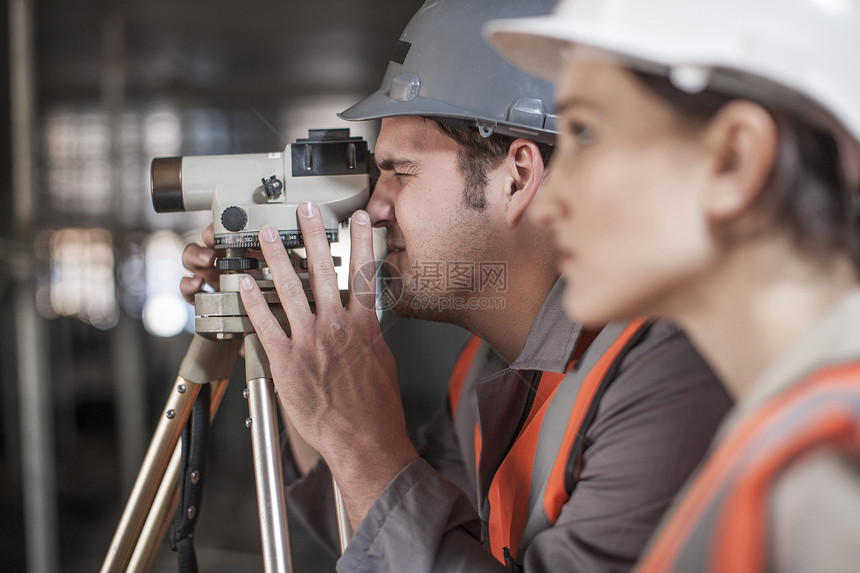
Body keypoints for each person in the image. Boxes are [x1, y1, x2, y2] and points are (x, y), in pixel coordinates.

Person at [181, 1, 731, 571]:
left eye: (400, 171)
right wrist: (287, 314)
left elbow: (387, 503)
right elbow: (376, 535)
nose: (374, 207)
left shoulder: (667, 372)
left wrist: (368, 445)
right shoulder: (484, 370)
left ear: (516, 178)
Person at [485, 0, 860, 571]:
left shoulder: (827, 479)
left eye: (585, 133)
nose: (546, 204)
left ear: (733, 159)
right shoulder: (785, 432)